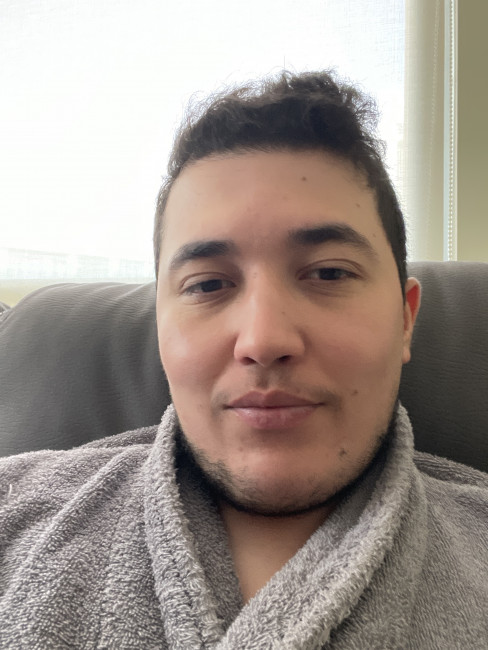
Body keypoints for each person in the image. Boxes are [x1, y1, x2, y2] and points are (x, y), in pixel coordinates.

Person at [0, 71, 486, 649]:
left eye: (329, 273)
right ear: (161, 326)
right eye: (208, 284)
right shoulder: (14, 512)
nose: (263, 339)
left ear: (405, 318)